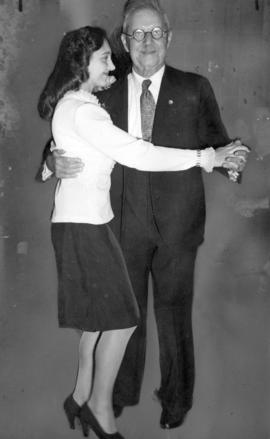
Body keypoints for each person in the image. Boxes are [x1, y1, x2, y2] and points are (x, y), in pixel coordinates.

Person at [41, 0, 249, 430]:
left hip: (179, 225)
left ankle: (175, 400)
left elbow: (220, 143)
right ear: (124, 41)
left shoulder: (195, 88)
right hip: (119, 223)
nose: (147, 42)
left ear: (169, 37)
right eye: (137, 34)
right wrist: (50, 164)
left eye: (155, 32)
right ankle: (112, 397)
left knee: (174, 317)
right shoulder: (104, 93)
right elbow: (66, 134)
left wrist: (233, 159)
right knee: (120, 317)